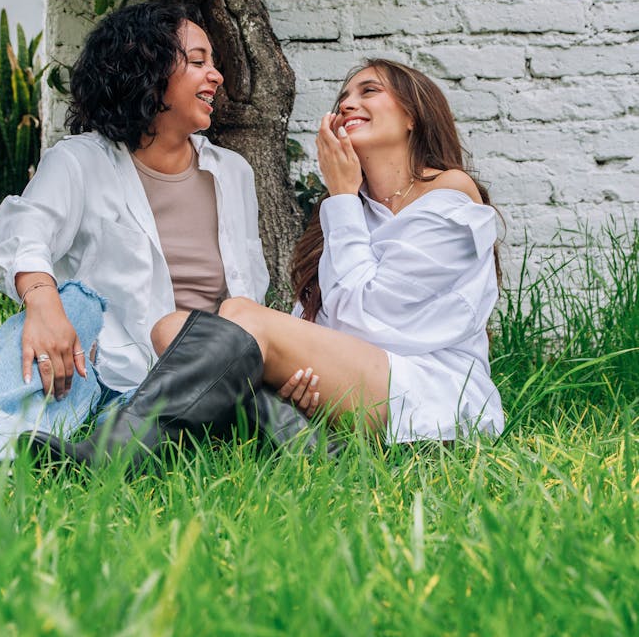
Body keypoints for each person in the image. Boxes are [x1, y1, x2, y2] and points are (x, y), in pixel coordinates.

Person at [36, 57, 503, 471]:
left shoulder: (447, 191)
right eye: (342, 97)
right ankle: (314, 446)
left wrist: (339, 198)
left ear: (412, 116)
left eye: (369, 91)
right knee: (171, 328)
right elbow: (319, 324)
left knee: (239, 316)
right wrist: (297, 375)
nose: (347, 103)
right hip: (361, 386)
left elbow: (377, 320)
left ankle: (111, 453)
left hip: (428, 396)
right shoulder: (350, 210)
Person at [0, 1, 308, 470]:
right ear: (147, 67)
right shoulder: (81, 161)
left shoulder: (232, 174)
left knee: (236, 338)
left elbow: (246, 295)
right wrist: (44, 304)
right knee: (75, 302)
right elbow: (22, 231)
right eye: (197, 60)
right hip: (106, 368)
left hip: (201, 374)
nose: (217, 76)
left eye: (215, 63)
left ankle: (108, 455)